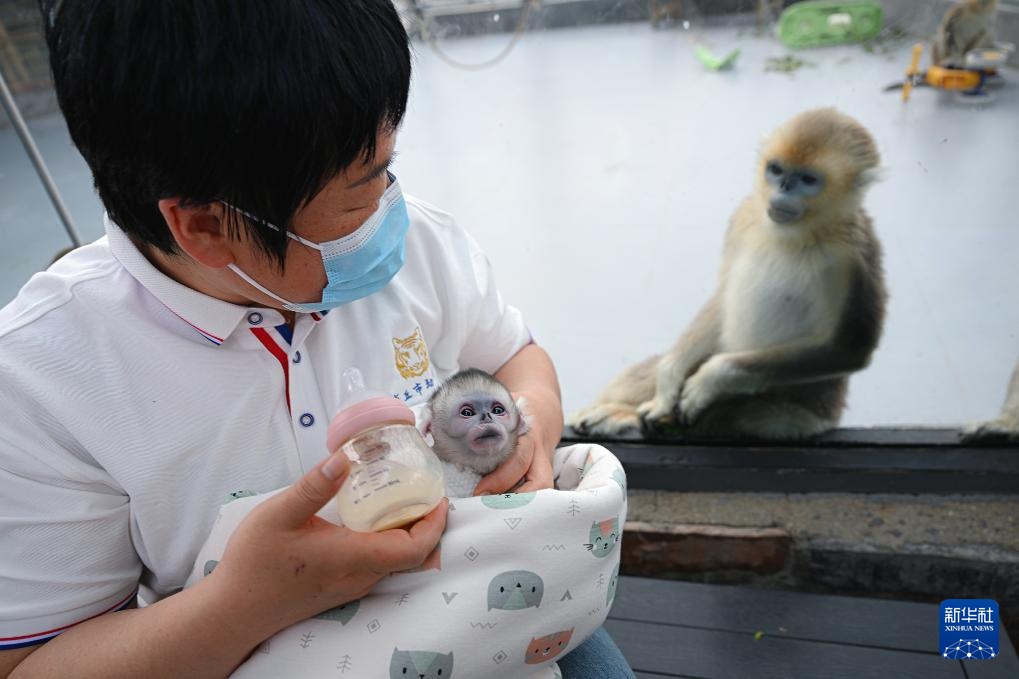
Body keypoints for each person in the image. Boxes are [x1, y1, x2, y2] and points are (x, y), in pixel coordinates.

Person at [0, 1, 634, 677]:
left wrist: (530, 422)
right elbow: (35, 662)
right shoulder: (42, 381)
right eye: (361, 196)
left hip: (486, 616)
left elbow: (514, 357)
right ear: (206, 227)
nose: (390, 207)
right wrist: (246, 600)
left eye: (387, 167)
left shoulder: (426, 248)